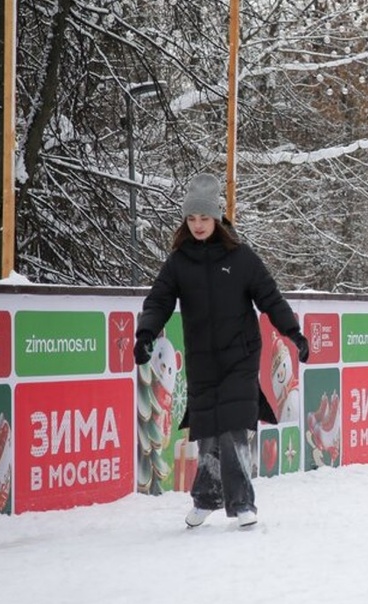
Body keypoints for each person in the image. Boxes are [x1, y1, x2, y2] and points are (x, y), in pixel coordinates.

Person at [134, 174, 309, 529]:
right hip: (202, 360)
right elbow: (158, 302)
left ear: (217, 219)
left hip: (240, 356)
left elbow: (270, 298)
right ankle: (207, 497)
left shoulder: (241, 258)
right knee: (207, 430)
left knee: (232, 427)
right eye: (192, 219)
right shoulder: (179, 262)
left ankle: (242, 502)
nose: (198, 225)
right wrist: (145, 334)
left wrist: (294, 333)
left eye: (204, 218)